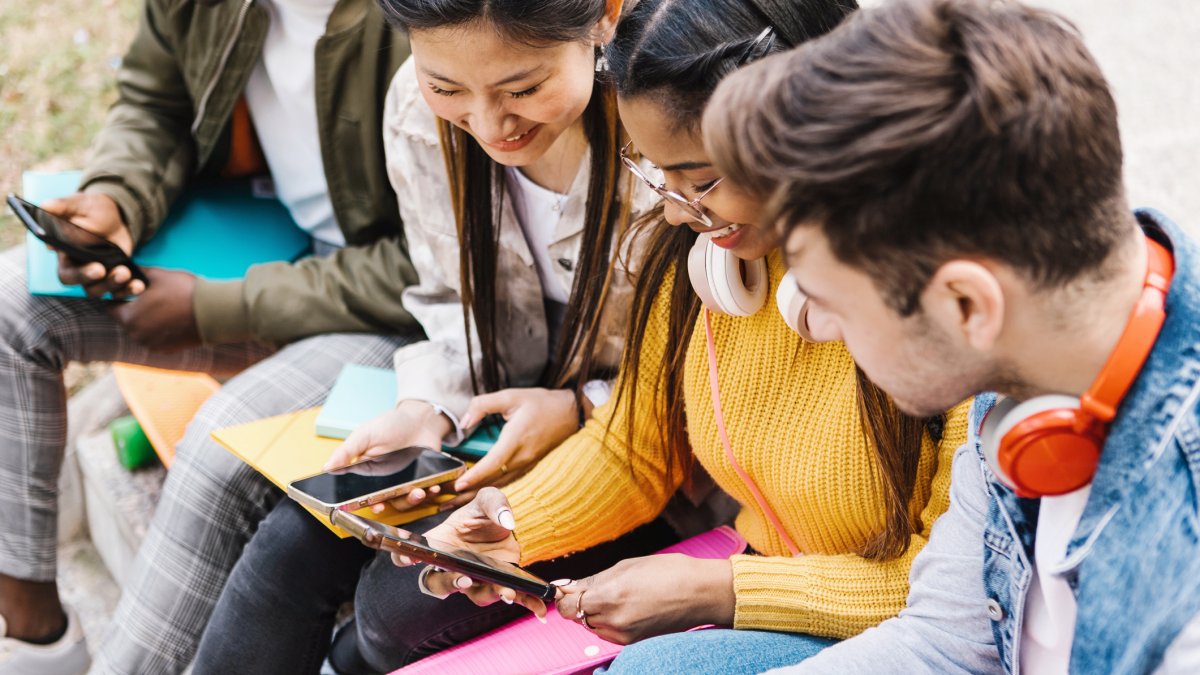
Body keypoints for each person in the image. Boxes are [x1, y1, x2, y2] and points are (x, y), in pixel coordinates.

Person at [412, 1, 973, 673]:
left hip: (909, 628)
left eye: (702, 180)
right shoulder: (702, 261)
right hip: (768, 579)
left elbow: (956, 592)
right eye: (654, 172)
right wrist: (509, 527)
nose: (676, 209)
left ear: (812, 131)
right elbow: (632, 450)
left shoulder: (952, 306)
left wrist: (720, 590)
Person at [704, 0, 1200, 672]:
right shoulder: (1027, 374)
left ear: (966, 303)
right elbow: (940, 643)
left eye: (833, 302)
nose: (816, 326)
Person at [189, 1, 682, 673]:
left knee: (398, 608)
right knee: (296, 541)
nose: (488, 123)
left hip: (646, 449)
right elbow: (448, 296)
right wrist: (430, 407)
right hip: (499, 423)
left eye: (524, 88)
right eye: (447, 87)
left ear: (605, 15)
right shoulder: (418, 117)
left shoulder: (667, 137)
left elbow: (711, 374)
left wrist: (580, 406)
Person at [0, 0, 422, 673]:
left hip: (403, 314)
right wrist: (116, 197)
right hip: (271, 245)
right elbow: (154, 101)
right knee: (11, 305)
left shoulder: (421, 22)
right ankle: (35, 638)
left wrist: (219, 308)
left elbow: (438, 265)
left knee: (217, 444)